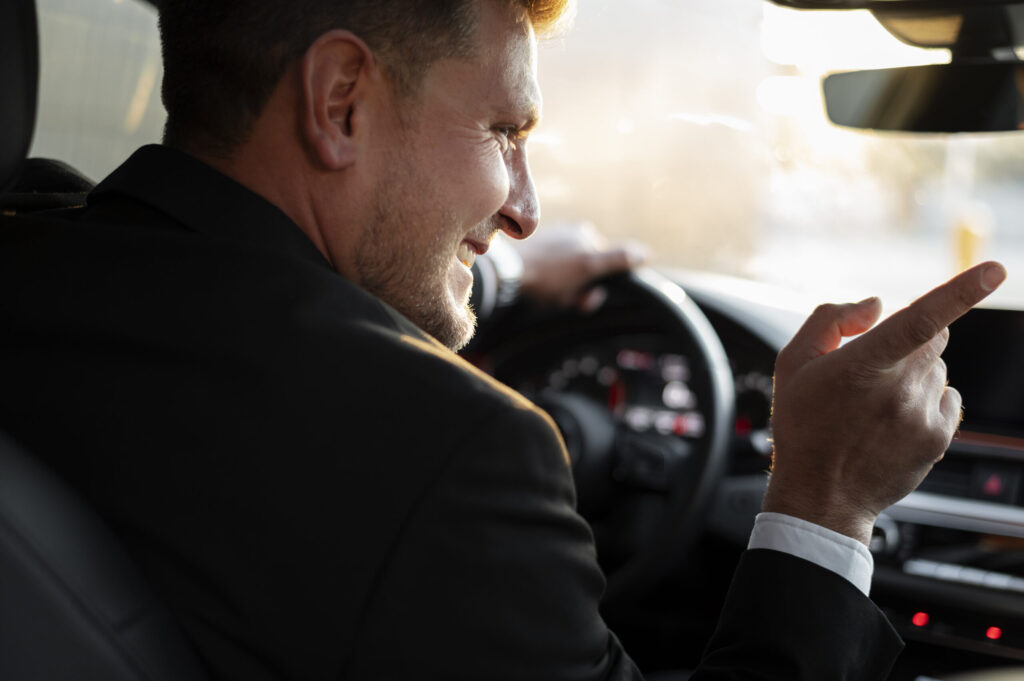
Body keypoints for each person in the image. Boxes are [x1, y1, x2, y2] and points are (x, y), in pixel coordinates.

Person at [0, 0, 1006, 679]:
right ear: (338, 101)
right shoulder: (451, 455)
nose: (522, 209)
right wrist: (822, 501)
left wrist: (504, 278)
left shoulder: (37, 248)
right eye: (504, 135)